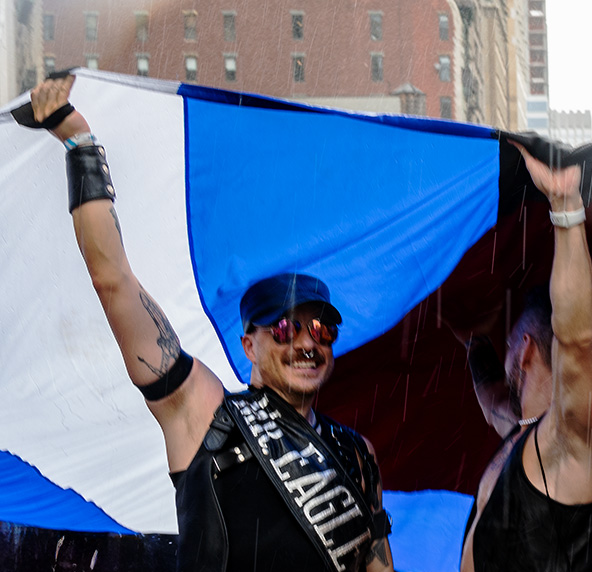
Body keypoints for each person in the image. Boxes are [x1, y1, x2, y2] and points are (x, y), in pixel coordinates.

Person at [26, 74, 393, 572]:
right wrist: (80, 143)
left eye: (321, 329)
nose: (307, 343)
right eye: (285, 329)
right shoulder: (204, 416)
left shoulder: (356, 453)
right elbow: (113, 280)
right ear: (250, 345)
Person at [457, 142, 592, 571]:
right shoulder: (521, 432)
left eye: (509, 345)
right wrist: (474, 343)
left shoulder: (570, 436)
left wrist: (566, 210)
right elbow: (492, 400)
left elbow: (575, 341)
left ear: (525, 350)